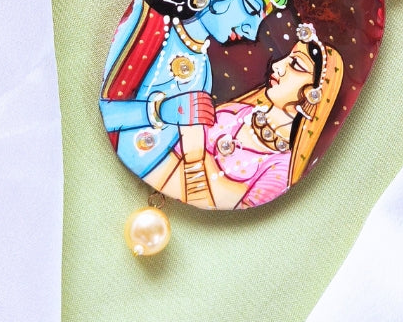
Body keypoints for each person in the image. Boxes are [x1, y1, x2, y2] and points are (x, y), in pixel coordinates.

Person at [100, 0, 307, 180]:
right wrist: (159, 111)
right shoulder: (144, 22)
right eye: (251, 9)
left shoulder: (204, 71)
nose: (251, 32)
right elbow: (108, 111)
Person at [145, 24, 343, 209]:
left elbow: (214, 201)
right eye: (287, 58)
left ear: (315, 93)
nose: (277, 66)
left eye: (296, 65)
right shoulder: (235, 113)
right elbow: (163, 166)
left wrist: (195, 152)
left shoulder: (280, 167)